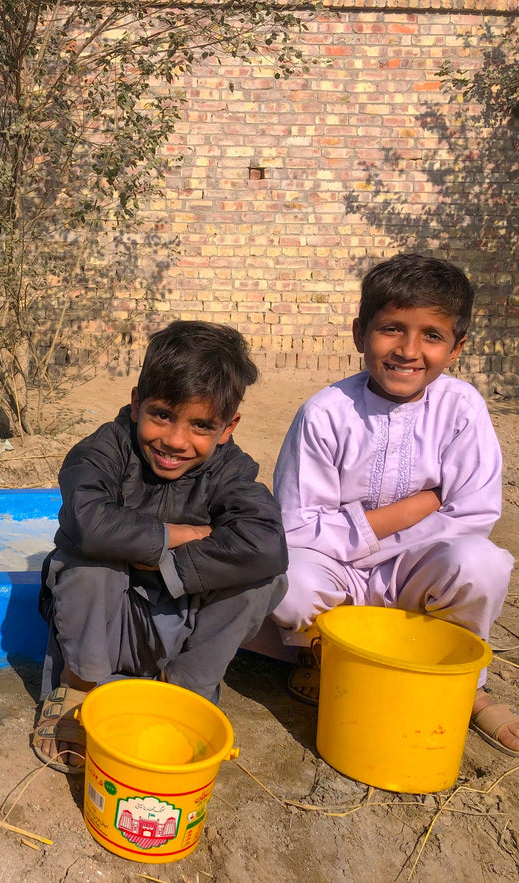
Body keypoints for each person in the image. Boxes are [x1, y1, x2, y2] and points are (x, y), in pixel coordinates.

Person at [267, 253, 518, 755]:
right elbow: (297, 528)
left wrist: (366, 537)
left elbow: (472, 516)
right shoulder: (326, 413)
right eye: (392, 329)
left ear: (456, 347)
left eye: (432, 335)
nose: (408, 350)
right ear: (361, 333)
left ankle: (466, 684)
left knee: (482, 562)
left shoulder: (461, 408)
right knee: (288, 581)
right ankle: (323, 658)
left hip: (416, 571)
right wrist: (416, 506)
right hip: (335, 574)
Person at [33, 320, 289, 773]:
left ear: (228, 427)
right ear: (136, 404)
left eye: (201, 425)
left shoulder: (231, 470)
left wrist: (160, 564)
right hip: (108, 626)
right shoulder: (103, 450)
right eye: (163, 415)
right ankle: (78, 689)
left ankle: (182, 694)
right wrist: (177, 535)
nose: (174, 440)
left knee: (263, 578)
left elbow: (266, 544)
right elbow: (88, 522)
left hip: (179, 628)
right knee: (90, 560)